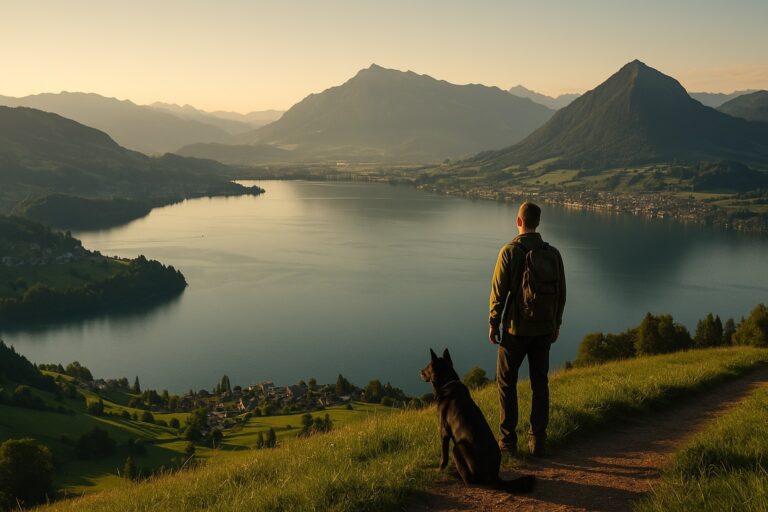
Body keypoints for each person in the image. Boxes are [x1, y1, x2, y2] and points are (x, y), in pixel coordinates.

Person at [488, 202, 566, 456]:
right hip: (544, 329)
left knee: (506, 383)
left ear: (518, 221)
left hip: (515, 330)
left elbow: (499, 293)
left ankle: (509, 442)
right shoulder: (552, 253)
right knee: (539, 383)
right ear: (538, 222)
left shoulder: (510, 251)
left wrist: (493, 322)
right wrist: (556, 323)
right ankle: (538, 441)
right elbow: (561, 293)